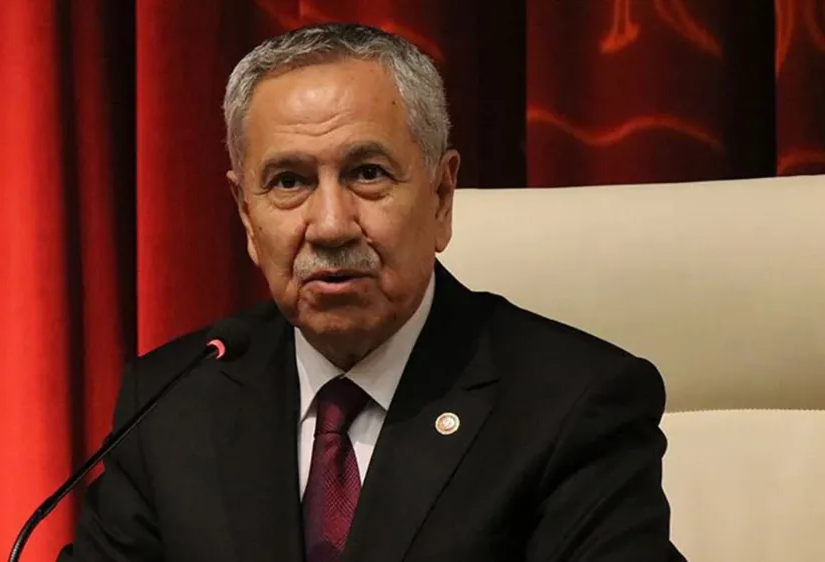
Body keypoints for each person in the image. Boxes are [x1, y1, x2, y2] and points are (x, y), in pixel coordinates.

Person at [59, 22, 686, 562]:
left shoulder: (571, 405)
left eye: (367, 173)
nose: (331, 225)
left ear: (441, 197)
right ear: (247, 215)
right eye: (289, 182)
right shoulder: (171, 405)